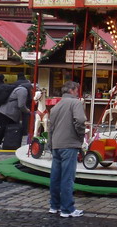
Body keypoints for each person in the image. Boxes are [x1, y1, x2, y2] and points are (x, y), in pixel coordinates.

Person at [48, 81, 87, 218]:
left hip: (57, 144)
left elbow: (50, 127)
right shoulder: (75, 103)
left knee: (55, 177)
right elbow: (80, 120)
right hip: (69, 144)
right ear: (72, 90)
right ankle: (67, 209)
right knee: (67, 178)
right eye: (77, 90)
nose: (78, 92)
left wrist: (50, 143)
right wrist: (80, 135)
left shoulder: (56, 106)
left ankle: (54, 206)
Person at [0, 77, 31, 149]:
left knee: (9, 128)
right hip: (8, 112)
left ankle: (10, 144)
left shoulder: (20, 89)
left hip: (7, 111)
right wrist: (28, 111)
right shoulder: (23, 91)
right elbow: (21, 105)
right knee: (5, 128)